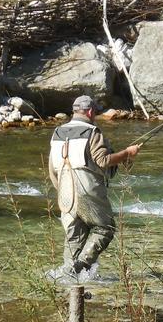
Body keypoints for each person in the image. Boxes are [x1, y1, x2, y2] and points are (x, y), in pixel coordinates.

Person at [48, 95, 140, 279]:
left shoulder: (57, 132)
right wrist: (127, 153)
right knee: (105, 228)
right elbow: (103, 161)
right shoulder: (92, 132)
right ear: (90, 112)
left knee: (74, 237)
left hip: (65, 191)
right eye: (96, 112)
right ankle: (79, 267)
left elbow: (52, 168)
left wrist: (62, 192)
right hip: (87, 189)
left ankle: (69, 283)